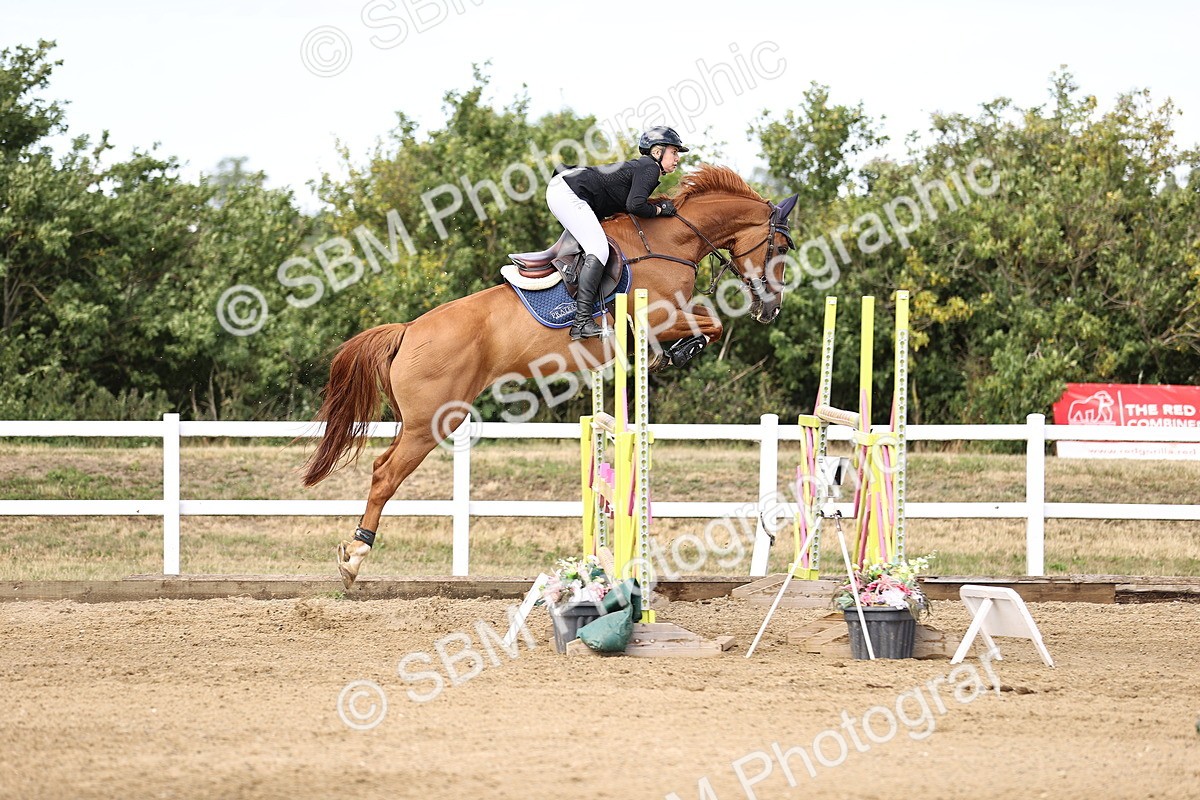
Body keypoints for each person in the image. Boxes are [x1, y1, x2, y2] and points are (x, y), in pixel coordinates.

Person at [546, 126, 689, 339]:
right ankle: (582, 321)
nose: (677, 158)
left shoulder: (645, 168)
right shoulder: (649, 167)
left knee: (593, 247)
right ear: (657, 152)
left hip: (566, 189)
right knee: (598, 250)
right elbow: (636, 205)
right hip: (569, 192)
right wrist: (661, 210)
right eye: (674, 151)